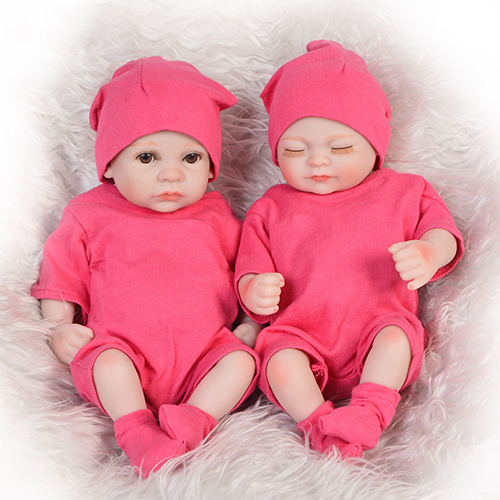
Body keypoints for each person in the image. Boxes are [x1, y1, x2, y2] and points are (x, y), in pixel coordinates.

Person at [32, 57, 259, 477]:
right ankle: (135, 429)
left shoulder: (217, 215)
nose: (171, 174)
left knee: (242, 362)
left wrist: (250, 322)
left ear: (211, 166)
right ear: (109, 165)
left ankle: (193, 421)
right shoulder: (90, 213)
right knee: (108, 363)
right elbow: (61, 274)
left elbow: (249, 270)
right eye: (147, 157)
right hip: (123, 350)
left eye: (191, 158)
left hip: (205, 354)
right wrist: (60, 326)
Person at [236, 40, 463, 458]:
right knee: (279, 361)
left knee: (396, 338)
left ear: (374, 146)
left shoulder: (403, 191)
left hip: (376, 327)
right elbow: (249, 265)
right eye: (295, 149)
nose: (317, 161)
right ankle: (319, 425)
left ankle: (368, 411)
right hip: (299, 334)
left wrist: (430, 252)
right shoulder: (271, 207)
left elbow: (443, 232)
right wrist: (253, 290)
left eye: (339, 147)